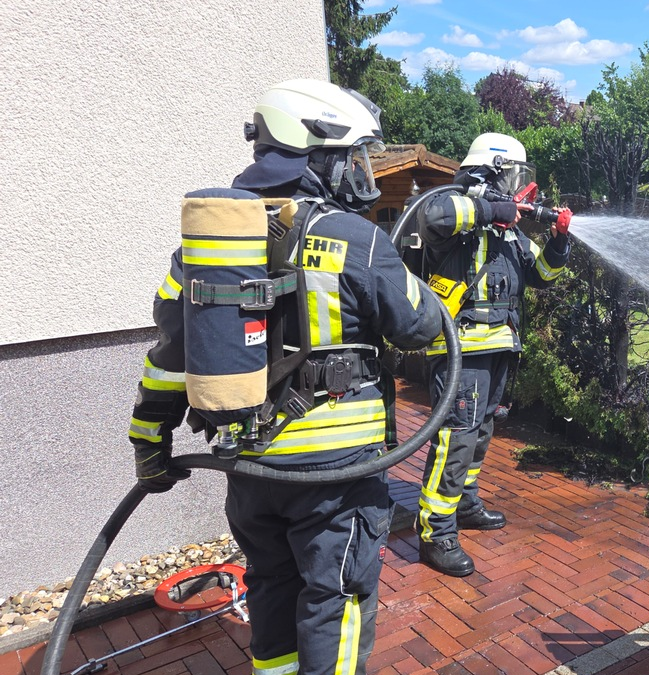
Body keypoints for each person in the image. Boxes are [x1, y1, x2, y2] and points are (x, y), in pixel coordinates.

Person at [127, 79, 442, 675]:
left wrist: (149, 437)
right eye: (354, 156)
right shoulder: (354, 236)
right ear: (318, 155)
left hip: (251, 467)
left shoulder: (209, 245)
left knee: (271, 585)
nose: (362, 170)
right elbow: (420, 327)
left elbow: (170, 351)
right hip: (335, 474)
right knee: (336, 599)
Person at [413, 132, 571, 576]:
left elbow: (542, 275)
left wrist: (559, 242)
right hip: (461, 349)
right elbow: (432, 216)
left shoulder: (511, 235)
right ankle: (435, 531)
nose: (520, 188)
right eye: (514, 177)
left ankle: (464, 504)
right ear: (491, 173)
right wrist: (489, 208)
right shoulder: (455, 210)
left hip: (499, 346)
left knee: (480, 431)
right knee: (457, 437)